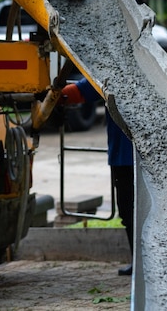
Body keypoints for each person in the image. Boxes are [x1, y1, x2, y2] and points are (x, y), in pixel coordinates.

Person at [61, 78, 135, 276]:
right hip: (150, 156)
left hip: (125, 157)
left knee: (129, 212)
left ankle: (141, 262)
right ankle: (148, 261)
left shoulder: (109, 73)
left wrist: (50, 94)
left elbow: (77, 92)